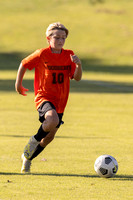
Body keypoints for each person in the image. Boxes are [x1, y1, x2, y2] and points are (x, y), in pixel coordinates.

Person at [15, 22, 82, 173]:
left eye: (63, 38)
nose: (60, 40)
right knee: (52, 120)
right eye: (57, 37)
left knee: (49, 138)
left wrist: (78, 65)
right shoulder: (42, 54)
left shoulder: (69, 55)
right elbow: (24, 64)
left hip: (61, 102)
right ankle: (34, 140)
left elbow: (77, 78)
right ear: (48, 38)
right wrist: (18, 84)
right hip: (43, 97)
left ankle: (27, 158)